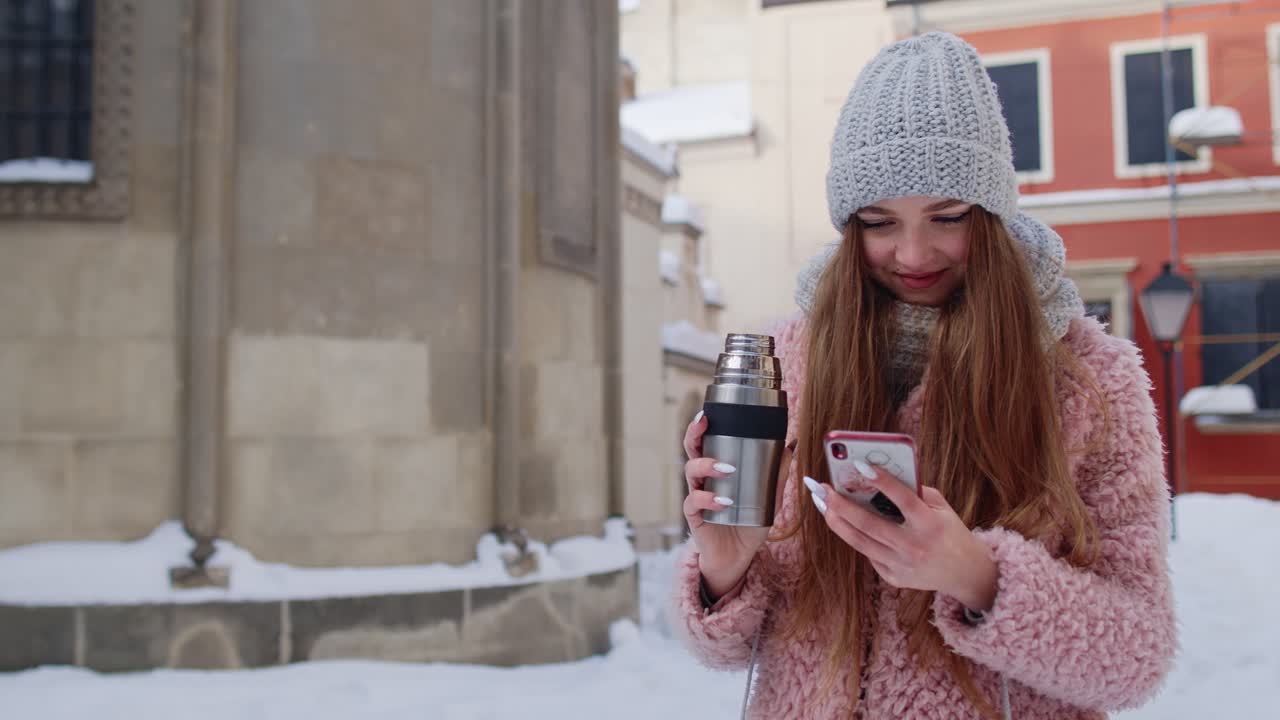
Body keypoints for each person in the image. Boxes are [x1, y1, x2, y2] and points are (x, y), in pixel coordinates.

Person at [672, 31, 1176, 719]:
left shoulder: (1089, 379)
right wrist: (724, 568)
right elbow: (726, 649)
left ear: (993, 216)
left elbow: (1137, 657)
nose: (913, 252)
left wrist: (978, 577)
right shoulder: (787, 361)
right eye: (880, 222)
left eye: (947, 217)